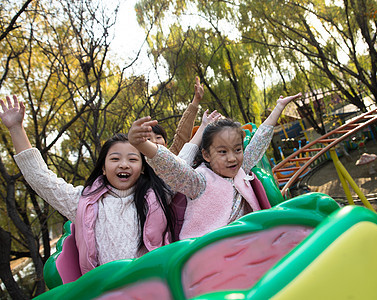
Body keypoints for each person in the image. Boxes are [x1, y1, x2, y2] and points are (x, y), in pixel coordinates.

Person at [0, 95, 174, 275]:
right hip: (104, 290)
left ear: (143, 168)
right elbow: (41, 179)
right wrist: (16, 128)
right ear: (104, 168)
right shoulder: (84, 202)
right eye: (115, 159)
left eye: (132, 159)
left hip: (152, 284)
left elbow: (182, 173)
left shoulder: (160, 194)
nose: (124, 164)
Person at [128, 92, 302, 239]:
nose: (232, 158)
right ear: (206, 155)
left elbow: (259, 140)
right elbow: (173, 167)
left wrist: (279, 107)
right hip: (210, 249)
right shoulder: (199, 182)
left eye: (237, 149)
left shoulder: (241, 169)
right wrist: (142, 145)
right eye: (223, 152)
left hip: (247, 240)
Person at [150, 76, 204, 155]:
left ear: (166, 144)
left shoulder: (172, 158)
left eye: (158, 137)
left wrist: (196, 100)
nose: (154, 141)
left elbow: (182, 135)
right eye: (148, 139)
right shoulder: (137, 162)